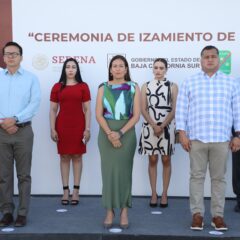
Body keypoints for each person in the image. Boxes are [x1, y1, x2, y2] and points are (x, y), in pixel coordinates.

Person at [176, 45, 240, 231]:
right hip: (196, 138)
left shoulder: (231, 82)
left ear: (219, 60)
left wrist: (238, 135)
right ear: (201, 60)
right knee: (196, 177)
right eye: (206, 57)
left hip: (221, 139)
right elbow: (181, 109)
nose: (210, 59)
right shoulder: (189, 81)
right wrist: (182, 133)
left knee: (218, 179)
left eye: (213, 56)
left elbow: (237, 110)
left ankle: (217, 217)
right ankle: (197, 215)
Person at [96, 55, 140, 229]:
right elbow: (99, 114)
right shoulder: (103, 87)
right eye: (114, 65)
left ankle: (124, 210)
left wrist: (120, 133)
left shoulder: (133, 87)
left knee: (124, 173)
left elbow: (136, 115)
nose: (118, 68)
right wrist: (110, 133)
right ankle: (109, 210)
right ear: (110, 69)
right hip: (106, 132)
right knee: (107, 173)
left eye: (121, 65)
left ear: (126, 68)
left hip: (126, 133)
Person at [0, 41, 41, 227]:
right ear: (3, 57)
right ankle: (7, 211)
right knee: (3, 175)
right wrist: (4, 122)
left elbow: (35, 103)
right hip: (1, 132)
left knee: (24, 175)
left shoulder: (31, 78)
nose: (11, 57)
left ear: (21, 57)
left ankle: (23, 213)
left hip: (23, 131)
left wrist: (15, 119)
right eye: (7, 54)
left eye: (14, 54)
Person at [50, 58, 91, 206]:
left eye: (74, 67)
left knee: (78, 157)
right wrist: (52, 128)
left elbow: (87, 109)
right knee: (64, 157)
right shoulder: (57, 87)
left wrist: (87, 129)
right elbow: (53, 109)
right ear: (64, 69)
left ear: (77, 70)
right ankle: (65, 190)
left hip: (79, 125)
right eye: (68, 67)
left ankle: (76, 191)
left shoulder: (83, 86)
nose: (71, 69)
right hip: (62, 125)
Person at [138, 58, 178, 208]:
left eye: (161, 68)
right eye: (156, 67)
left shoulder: (173, 86)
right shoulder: (145, 86)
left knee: (166, 159)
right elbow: (143, 109)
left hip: (166, 128)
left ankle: (165, 193)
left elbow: (174, 109)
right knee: (152, 159)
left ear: (166, 70)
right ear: (152, 69)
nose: (158, 70)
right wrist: (154, 125)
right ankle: (154, 192)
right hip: (150, 127)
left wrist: (162, 126)